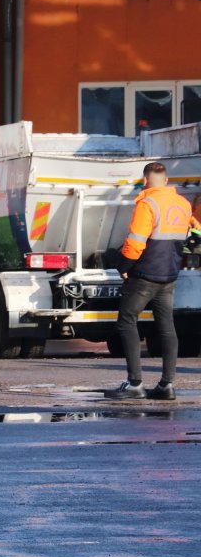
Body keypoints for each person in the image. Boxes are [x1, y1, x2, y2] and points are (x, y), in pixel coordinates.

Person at [105, 162, 200, 400]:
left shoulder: (147, 203)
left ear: (145, 181)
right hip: (169, 276)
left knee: (126, 321)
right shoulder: (183, 204)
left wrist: (123, 267)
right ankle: (167, 385)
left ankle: (134, 384)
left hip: (144, 275)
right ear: (166, 181)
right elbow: (196, 233)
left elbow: (136, 242)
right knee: (166, 327)